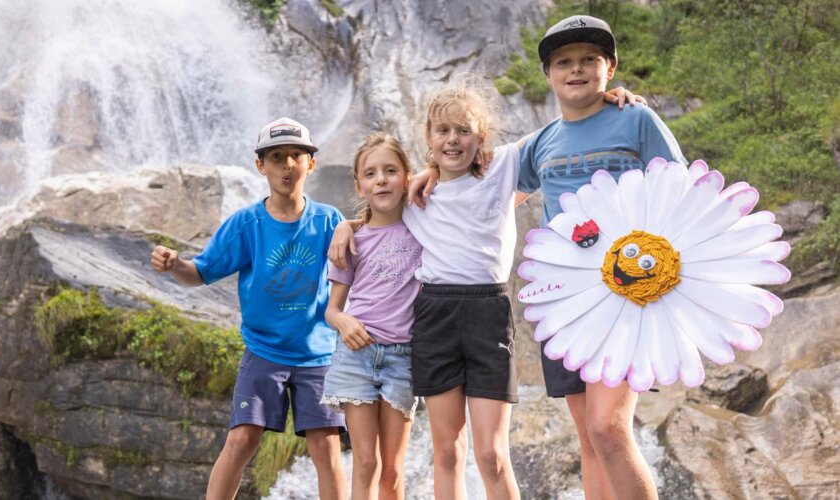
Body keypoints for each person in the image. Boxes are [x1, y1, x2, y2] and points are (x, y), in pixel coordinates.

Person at [330, 77, 645, 498]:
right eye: (443, 131)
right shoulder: (414, 194)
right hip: (434, 317)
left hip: (488, 315)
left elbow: (565, 123)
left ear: (482, 135)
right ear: (428, 136)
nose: (453, 139)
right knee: (446, 452)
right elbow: (377, 210)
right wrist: (344, 226)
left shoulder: (503, 167)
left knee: (492, 454)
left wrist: (604, 99)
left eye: (464, 130)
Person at [516, 16, 685, 500]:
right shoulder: (540, 143)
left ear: (609, 67)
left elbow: (681, 191)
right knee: (592, 439)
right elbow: (483, 197)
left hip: (629, 292)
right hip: (564, 301)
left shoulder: (636, 119)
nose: (576, 70)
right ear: (548, 75)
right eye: (563, 62)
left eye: (589, 59)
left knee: (608, 427)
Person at [150, 117, 348, 500]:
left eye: (296, 155)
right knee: (242, 439)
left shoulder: (329, 221)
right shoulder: (246, 224)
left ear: (311, 162)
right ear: (261, 166)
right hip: (264, 352)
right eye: (276, 157)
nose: (287, 165)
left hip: (319, 355)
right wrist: (175, 263)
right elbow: (200, 273)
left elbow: (363, 254)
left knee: (326, 446)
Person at [320, 133, 422, 500]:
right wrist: (344, 321)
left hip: (403, 358)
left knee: (393, 469)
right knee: (365, 462)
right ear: (359, 186)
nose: (381, 179)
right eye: (371, 173)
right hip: (356, 356)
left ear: (408, 177)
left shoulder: (425, 227)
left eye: (391, 170)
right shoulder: (351, 240)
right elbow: (331, 309)